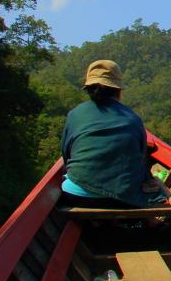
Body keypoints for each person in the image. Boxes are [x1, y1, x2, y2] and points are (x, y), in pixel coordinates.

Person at [60, 60, 161, 208]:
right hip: (124, 199)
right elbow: (141, 158)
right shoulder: (133, 118)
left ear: (88, 89)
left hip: (77, 196)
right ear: (118, 91)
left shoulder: (75, 115)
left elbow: (66, 156)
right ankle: (151, 223)